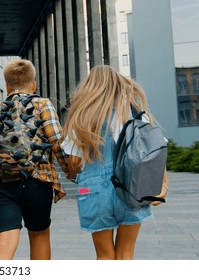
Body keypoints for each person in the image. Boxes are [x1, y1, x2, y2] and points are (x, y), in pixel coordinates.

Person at [61, 65, 168, 260]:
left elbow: (74, 164)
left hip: (92, 191)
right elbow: (154, 151)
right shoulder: (133, 112)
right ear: (118, 84)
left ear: (88, 87)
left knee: (104, 255)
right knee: (126, 253)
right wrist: (163, 184)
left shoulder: (80, 116)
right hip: (131, 187)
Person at [0, 59, 69, 260]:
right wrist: (70, 171)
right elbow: (57, 141)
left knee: (4, 241)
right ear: (33, 84)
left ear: (7, 85)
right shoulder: (42, 103)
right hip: (36, 180)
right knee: (39, 236)